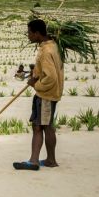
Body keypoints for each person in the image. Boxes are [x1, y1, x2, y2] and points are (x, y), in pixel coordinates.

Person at [14, 19, 64, 171]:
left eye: (29, 33)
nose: (28, 36)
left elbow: (51, 77)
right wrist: (35, 74)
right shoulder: (52, 45)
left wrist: (36, 84)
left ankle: (34, 161)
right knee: (47, 126)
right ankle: (50, 160)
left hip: (46, 95)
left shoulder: (46, 51)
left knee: (39, 127)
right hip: (51, 94)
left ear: (36, 33)